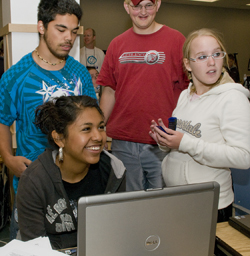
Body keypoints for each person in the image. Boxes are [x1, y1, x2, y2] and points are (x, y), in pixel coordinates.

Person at [0, 0, 96, 239]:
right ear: (41, 27)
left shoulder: (80, 73)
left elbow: (93, 122)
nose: (69, 38)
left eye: (74, 31)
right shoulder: (16, 76)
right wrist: (8, 159)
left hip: (77, 185)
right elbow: (1, 121)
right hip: (34, 185)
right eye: (61, 29)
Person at [149, 28, 250, 223]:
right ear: (188, 64)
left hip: (209, 206)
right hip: (177, 199)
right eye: (202, 56)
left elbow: (244, 157)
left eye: (217, 54)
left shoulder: (233, 98)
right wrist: (165, 141)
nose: (212, 62)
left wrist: (185, 143)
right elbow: (181, 144)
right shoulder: (185, 95)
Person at [97, 0, 188, 191]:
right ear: (126, 6)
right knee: (128, 206)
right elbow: (110, 90)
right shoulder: (117, 44)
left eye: (149, 5)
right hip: (123, 141)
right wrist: (99, 128)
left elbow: (188, 92)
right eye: (137, 6)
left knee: (161, 206)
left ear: (159, 4)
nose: (143, 12)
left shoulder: (177, 40)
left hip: (162, 142)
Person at [16, 95, 126, 249]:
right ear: (60, 138)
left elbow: (119, 232)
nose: (98, 137)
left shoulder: (114, 170)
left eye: (101, 127)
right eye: (86, 129)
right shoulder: (34, 180)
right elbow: (34, 247)